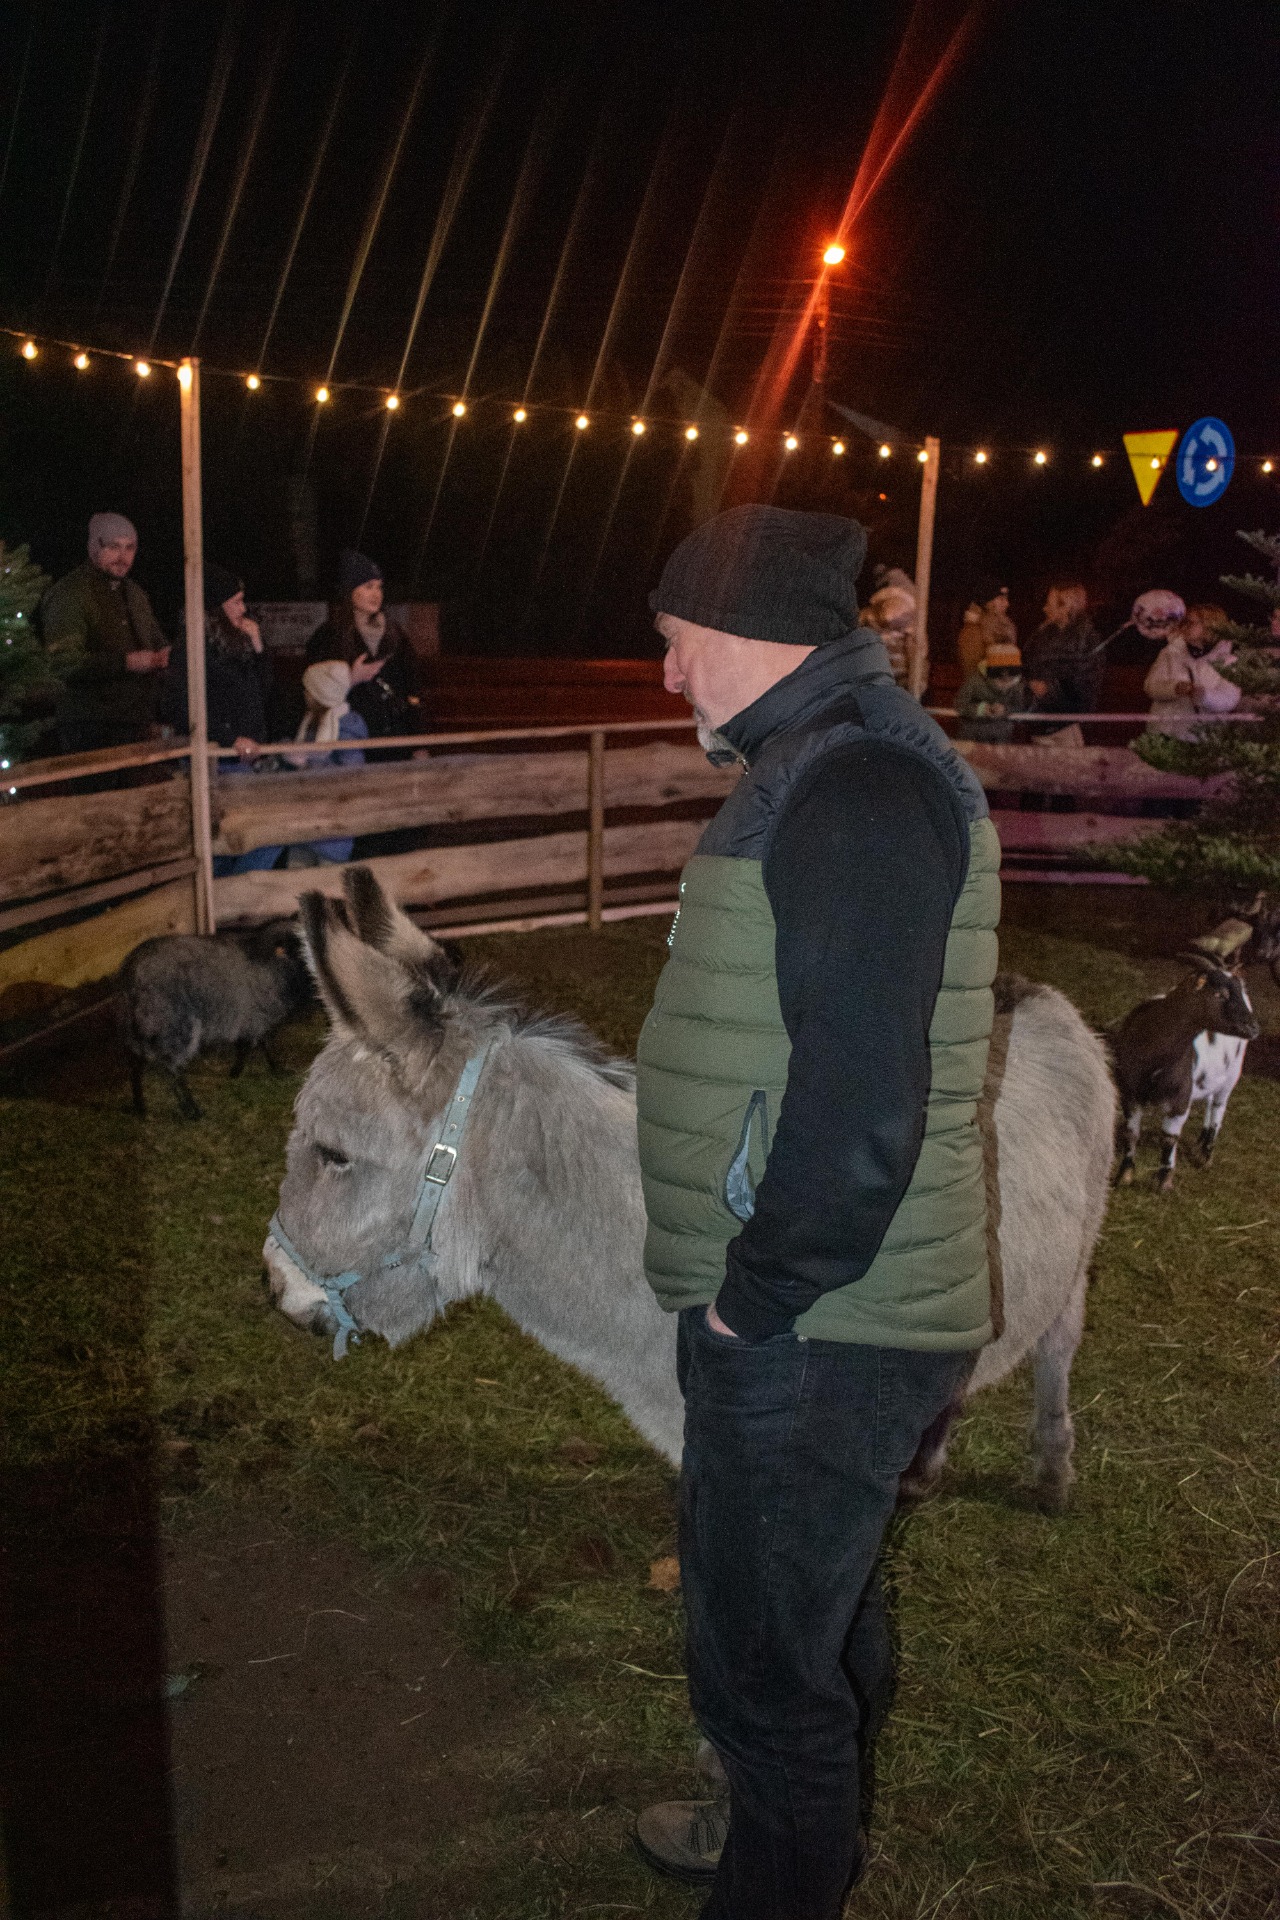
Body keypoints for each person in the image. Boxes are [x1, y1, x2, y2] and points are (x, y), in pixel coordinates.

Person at [632, 505, 1000, 1919]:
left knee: (764, 1673)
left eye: (675, 641)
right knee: (812, 1617)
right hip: (823, 1318)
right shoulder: (821, 761)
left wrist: (752, 1301)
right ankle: (786, 1838)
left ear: (747, 630)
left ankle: (781, 1863)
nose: (668, 673)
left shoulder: (856, 783)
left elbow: (859, 1104)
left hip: (816, 1325)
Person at [163, 563, 280, 876]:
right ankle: (222, 894)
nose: (243, 610)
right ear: (216, 606)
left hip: (247, 756)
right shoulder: (193, 645)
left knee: (260, 834)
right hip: (220, 758)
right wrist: (228, 738)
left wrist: (259, 647)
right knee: (225, 837)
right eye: (235, 602)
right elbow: (180, 704)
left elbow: (263, 690)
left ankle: (236, 893)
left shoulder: (239, 642)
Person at [42, 512, 170, 752]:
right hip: (90, 725)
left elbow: (156, 640)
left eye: (129, 548)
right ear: (95, 547)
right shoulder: (71, 594)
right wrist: (126, 663)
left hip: (136, 721)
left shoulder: (135, 594)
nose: (123, 557)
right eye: (113, 547)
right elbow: (64, 662)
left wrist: (166, 655)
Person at [304, 550, 422, 739]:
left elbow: (413, 686)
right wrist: (351, 679)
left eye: (379, 587)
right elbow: (315, 693)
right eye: (368, 586)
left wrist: (418, 741)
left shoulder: (395, 633)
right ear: (350, 591)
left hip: (395, 737)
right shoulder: (329, 635)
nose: (376, 594)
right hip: (350, 736)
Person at [280, 659, 368, 866]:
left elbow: (349, 774)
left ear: (321, 694)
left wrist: (305, 764)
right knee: (297, 877)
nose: (305, 694)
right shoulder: (311, 723)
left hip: (332, 828)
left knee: (327, 878)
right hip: (305, 823)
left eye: (310, 690)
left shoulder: (346, 728)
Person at [1144, 603, 1242, 737]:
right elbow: (1151, 686)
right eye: (1185, 622)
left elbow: (1229, 699)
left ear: (1210, 626)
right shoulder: (1170, 653)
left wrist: (1204, 696)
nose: (1185, 626)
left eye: (1191, 623)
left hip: (1201, 736)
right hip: (1164, 733)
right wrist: (1174, 688)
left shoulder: (1228, 662)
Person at [1022, 581, 1103, 713]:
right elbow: (1026, 666)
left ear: (1066, 607)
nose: (1044, 609)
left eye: (1050, 604)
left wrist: (1049, 689)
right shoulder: (1040, 636)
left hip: (1069, 717)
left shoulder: (1087, 640)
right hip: (1038, 715)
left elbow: (1086, 683)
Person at [954, 639, 1040, 743]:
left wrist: (1005, 710)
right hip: (972, 731)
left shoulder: (1019, 685)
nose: (1006, 678)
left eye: (1011, 671)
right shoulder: (975, 681)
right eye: (1000, 672)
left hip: (1001, 734)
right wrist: (981, 709)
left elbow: (1023, 706)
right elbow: (960, 703)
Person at [857, 570, 916, 686]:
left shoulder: (910, 624)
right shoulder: (870, 615)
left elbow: (915, 650)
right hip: (877, 674)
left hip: (894, 675)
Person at [956, 576, 1016, 680]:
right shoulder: (973, 631)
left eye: (1006, 599)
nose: (1007, 604)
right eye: (1001, 599)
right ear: (988, 601)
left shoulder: (1004, 629)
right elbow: (972, 672)